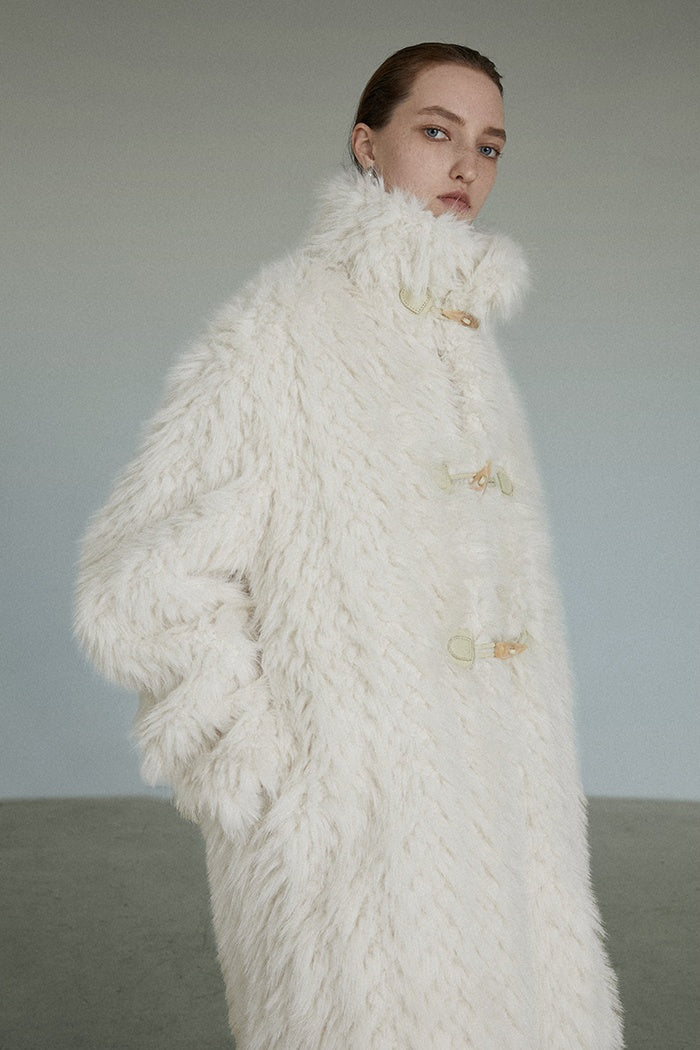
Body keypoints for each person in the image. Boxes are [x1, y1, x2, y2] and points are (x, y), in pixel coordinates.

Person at [75, 42, 624, 1050]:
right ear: (368, 144)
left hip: (498, 823)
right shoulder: (280, 331)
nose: (465, 165)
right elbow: (138, 579)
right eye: (437, 131)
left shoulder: (460, 337)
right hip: (353, 831)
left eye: (489, 146)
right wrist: (269, 761)